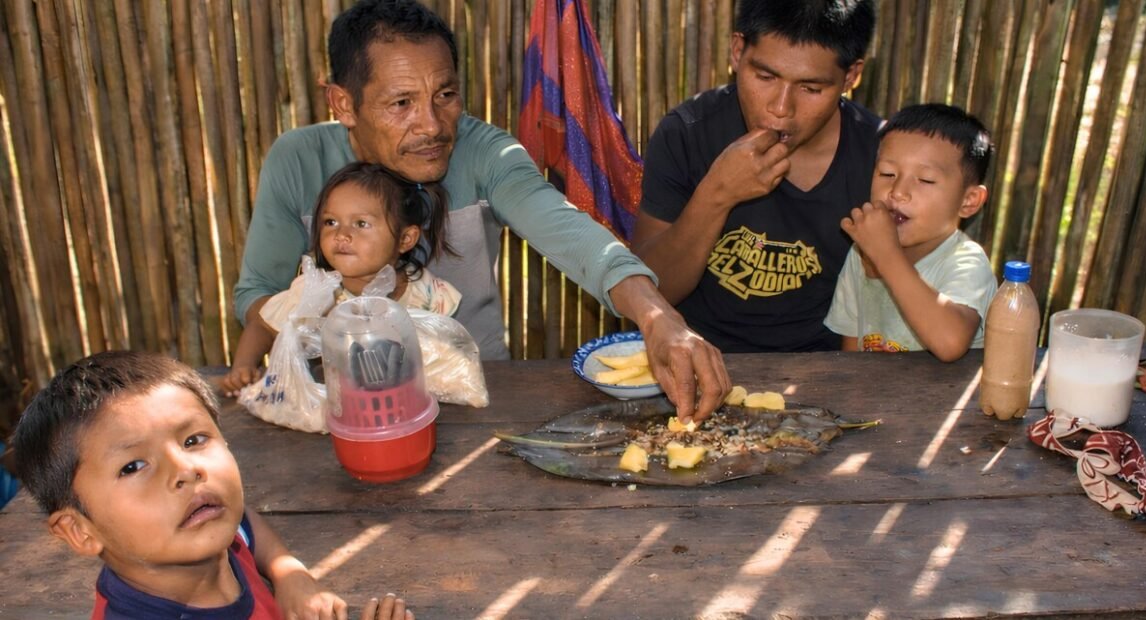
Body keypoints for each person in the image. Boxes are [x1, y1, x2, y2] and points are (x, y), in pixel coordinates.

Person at [233, 0, 727, 421]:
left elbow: (570, 232)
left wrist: (656, 313)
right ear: (343, 103)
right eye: (401, 103)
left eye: (445, 95)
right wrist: (345, 333)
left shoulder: (488, 153)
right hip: (338, 406)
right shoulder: (297, 160)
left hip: (475, 395)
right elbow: (257, 295)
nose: (432, 125)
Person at [11, 350, 413, 620]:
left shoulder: (207, 531)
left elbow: (246, 524)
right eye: (133, 465)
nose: (186, 470)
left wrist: (290, 573)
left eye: (193, 440)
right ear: (79, 530)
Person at [632, 0, 880, 353]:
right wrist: (717, 194)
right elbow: (652, 292)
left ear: (851, 77)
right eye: (765, 77)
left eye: (810, 89)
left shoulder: (882, 158)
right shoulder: (687, 134)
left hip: (824, 369)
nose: (780, 108)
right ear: (737, 52)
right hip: (697, 357)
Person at [224, 162, 461, 396]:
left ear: (405, 239)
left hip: (407, 412)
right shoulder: (316, 292)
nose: (342, 235)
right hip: (333, 414)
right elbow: (263, 326)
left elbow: (446, 353)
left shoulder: (427, 293)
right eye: (331, 222)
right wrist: (243, 367)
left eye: (361, 224)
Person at [823, 103, 998, 361]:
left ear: (969, 201)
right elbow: (852, 350)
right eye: (887, 173)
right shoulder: (862, 253)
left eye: (925, 179)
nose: (898, 192)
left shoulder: (966, 262)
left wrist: (887, 257)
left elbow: (950, 343)